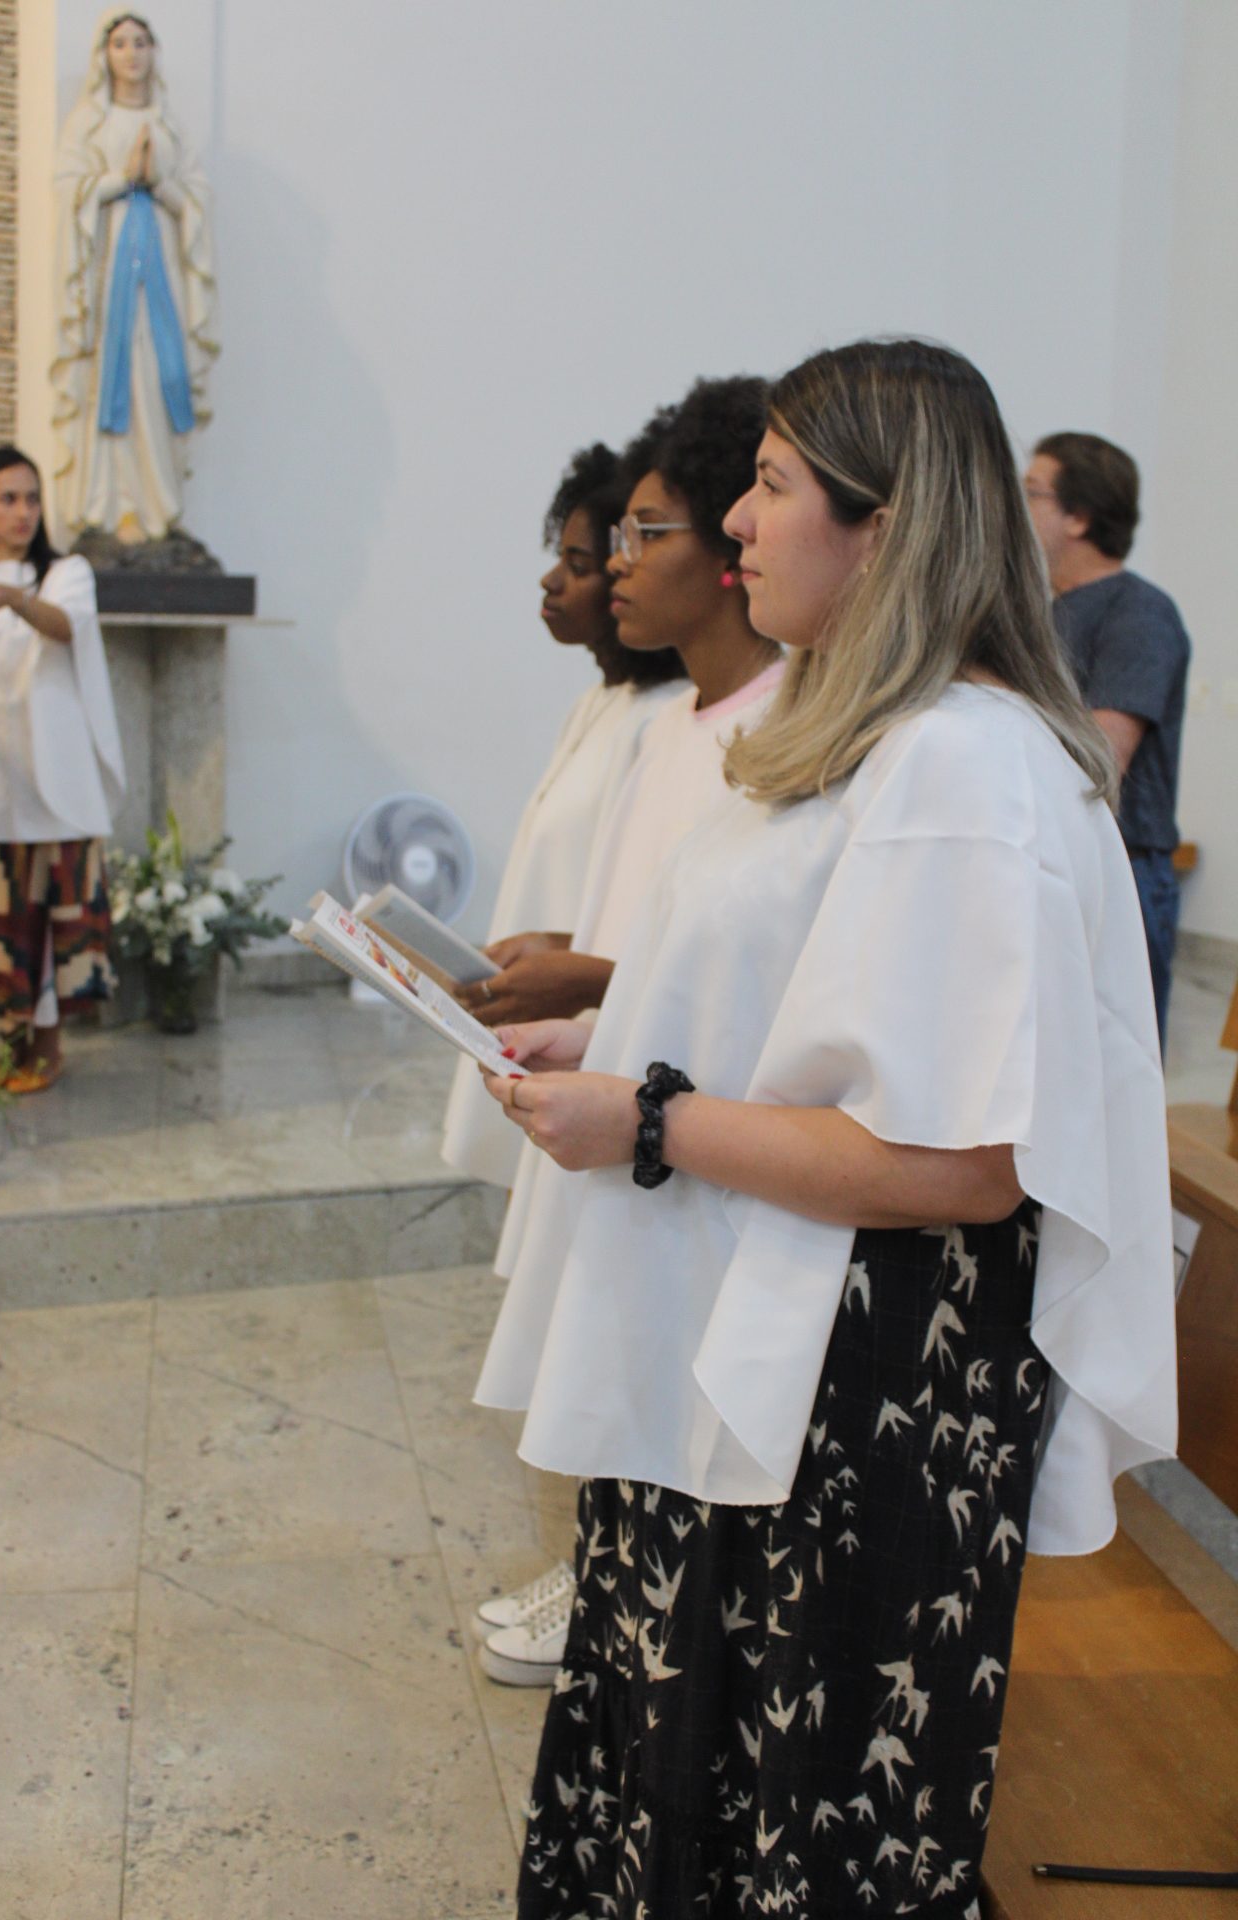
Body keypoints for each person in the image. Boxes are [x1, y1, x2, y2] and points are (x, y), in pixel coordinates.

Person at [478, 341, 1176, 1917]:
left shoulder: (966, 765)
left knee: (796, 1809)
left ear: (885, 528)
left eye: (774, 485)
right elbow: (816, 1020)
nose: (736, 519)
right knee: (684, 1764)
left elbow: (963, 1162)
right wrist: (617, 1040)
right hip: (763, 1335)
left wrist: (648, 1118)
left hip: (860, 1384)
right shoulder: (871, 729)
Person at [468, 378, 784, 1688]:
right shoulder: (666, 721)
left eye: (646, 535)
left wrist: (590, 985)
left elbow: (741, 976)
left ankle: (630, 1605)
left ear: (726, 555)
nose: (614, 567)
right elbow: (644, 925)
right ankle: (604, 1581)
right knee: (597, 1360)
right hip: (616, 1092)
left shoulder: (784, 728)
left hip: (691, 1128)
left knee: (667, 1384)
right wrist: (566, 980)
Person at [442, 442, 684, 1189]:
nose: (554, 581)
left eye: (580, 564)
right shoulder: (601, 704)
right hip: (547, 1005)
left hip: (590, 1024)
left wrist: (571, 965)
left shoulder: (667, 717)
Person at [0, 447, 126, 1090]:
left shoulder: (63, 573)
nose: (23, 511)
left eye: (32, 499)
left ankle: (48, 1048)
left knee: (50, 929)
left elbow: (65, 626)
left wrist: (14, 600)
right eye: (8, 498)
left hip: (51, 782)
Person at [1024, 432, 1190, 1046]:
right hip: (1050, 866)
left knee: (1112, 1065)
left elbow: (1100, 759)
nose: (1017, 506)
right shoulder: (1038, 613)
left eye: (1032, 492)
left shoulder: (1139, 613)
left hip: (1117, 874)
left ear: (1079, 516)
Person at [52, 8, 217, 543]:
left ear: (154, 52)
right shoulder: (90, 124)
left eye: (141, 42)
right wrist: (119, 180)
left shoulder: (170, 127)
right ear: (104, 54)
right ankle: (115, 507)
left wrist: (159, 184)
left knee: (160, 378)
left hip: (162, 279)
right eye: (120, 43)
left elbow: (196, 201)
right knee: (116, 374)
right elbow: (67, 190)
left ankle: (160, 508)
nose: (131, 54)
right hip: (110, 281)